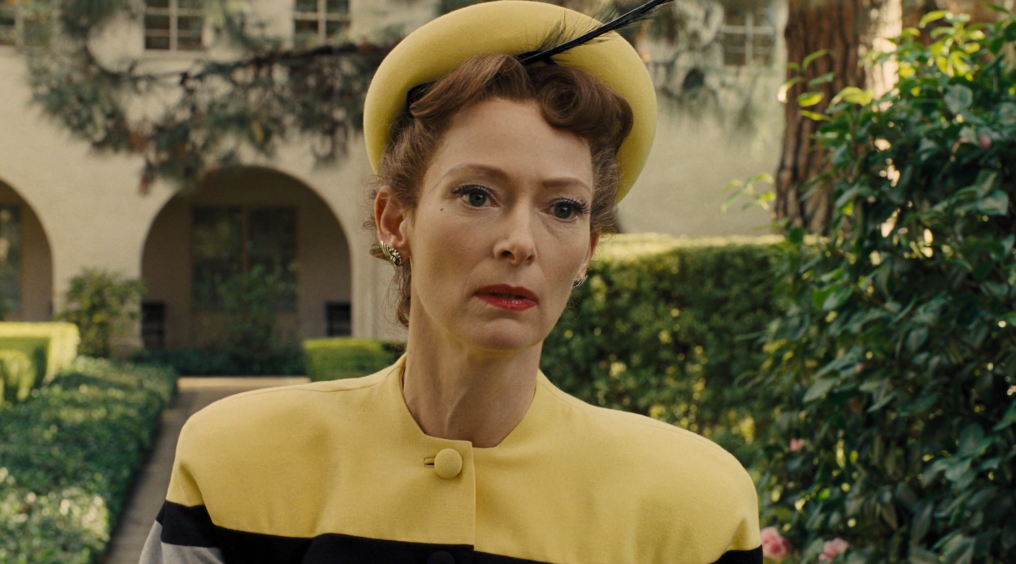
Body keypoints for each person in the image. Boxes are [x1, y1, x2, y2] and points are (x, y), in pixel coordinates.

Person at [139, 2, 763, 563]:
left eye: (563, 208)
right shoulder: (234, 464)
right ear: (395, 219)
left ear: (588, 252)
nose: (520, 241)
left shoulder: (695, 510)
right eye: (477, 194)